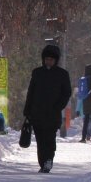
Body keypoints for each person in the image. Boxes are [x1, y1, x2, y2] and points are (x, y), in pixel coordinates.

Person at [23, 44, 72, 173]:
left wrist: (58, 107)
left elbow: (66, 93)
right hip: (37, 112)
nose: (48, 61)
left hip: (53, 113)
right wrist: (27, 110)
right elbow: (31, 92)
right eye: (46, 59)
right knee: (40, 139)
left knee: (50, 138)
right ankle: (42, 162)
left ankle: (49, 160)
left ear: (56, 60)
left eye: (51, 59)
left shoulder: (62, 74)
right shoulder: (37, 72)